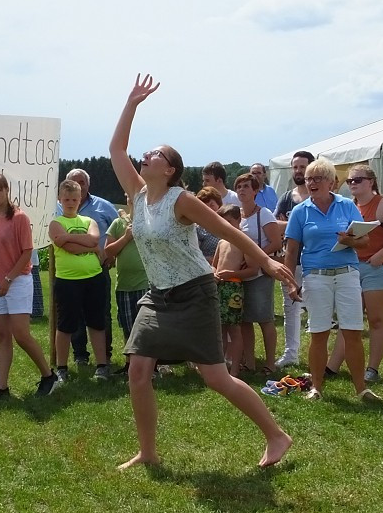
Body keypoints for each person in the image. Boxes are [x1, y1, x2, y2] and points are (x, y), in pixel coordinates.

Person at [109, 74, 294, 470]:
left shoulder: (182, 200)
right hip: (158, 296)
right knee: (138, 370)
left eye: (156, 154)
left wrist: (264, 261)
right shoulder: (137, 195)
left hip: (194, 293)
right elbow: (117, 148)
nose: (147, 156)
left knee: (215, 378)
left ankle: (277, 436)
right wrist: (132, 104)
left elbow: (227, 230)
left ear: (171, 169)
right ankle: (148, 452)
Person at [283, 158, 380, 403]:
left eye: (318, 178)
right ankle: (317, 387)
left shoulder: (347, 206)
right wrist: (289, 282)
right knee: (319, 333)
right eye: (308, 179)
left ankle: (361, 389)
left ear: (330, 182)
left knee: (353, 332)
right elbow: (292, 251)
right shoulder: (300, 211)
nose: (312, 183)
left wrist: (349, 241)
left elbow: (365, 242)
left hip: (347, 273)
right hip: (316, 277)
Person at [323, 164, 383, 382]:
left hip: (379, 269)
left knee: (376, 319)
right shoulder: (348, 206)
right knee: (348, 319)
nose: (352, 184)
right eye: (350, 181)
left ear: (371, 182)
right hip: (352, 268)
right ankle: (332, 367)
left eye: (357, 180)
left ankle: (372, 369)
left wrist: (381, 254)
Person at [0, 172, 59, 398]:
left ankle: (48, 375)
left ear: (7, 191)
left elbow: (27, 252)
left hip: (17, 281)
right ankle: (2, 387)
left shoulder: (20, 218)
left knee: (21, 334)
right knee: (2, 336)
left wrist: (8, 279)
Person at [50, 179, 110, 382]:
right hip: (67, 280)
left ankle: (102, 366)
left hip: (94, 278)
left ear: (80, 199)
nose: (70, 203)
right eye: (66, 199)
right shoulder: (56, 223)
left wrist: (69, 238)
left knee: (97, 322)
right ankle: (62, 368)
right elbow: (67, 246)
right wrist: (91, 248)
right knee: (66, 325)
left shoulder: (88, 221)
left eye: (74, 199)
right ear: (60, 199)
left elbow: (94, 239)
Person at [59, 169, 118, 367]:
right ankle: (80, 355)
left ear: (88, 184)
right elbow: (61, 242)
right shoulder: (58, 211)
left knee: (101, 315)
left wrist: (111, 254)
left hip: (99, 269)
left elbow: (117, 227)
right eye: (74, 182)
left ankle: (105, 356)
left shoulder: (103, 206)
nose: (79, 186)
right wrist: (91, 247)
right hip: (68, 274)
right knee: (73, 317)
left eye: (82, 182)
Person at [235, 172, 283, 377]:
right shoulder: (237, 215)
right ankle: (250, 362)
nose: (242, 190)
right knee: (244, 320)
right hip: (241, 274)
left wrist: (255, 257)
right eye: (239, 187)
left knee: (265, 319)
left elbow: (276, 242)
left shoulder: (263, 214)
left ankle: (270, 363)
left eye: (246, 186)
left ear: (255, 191)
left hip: (261, 274)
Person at [275, 150, 313, 369]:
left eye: (302, 167)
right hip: (291, 260)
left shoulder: (318, 198)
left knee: (317, 308)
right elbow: (274, 225)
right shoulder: (287, 198)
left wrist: (290, 226)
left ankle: (318, 356)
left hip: (316, 261)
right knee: (290, 308)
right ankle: (291, 353)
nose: (298, 171)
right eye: (295, 167)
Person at [104, 194, 150, 375]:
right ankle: (130, 364)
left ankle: (149, 366)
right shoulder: (118, 224)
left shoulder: (149, 223)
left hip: (145, 283)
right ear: (128, 202)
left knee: (145, 327)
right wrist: (126, 237)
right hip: (124, 284)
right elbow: (108, 252)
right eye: (131, 199)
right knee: (127, 325)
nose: (134, 203)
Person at [214, 204, 254, 378]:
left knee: (234, 330)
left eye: (229, 221)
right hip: (219, 287)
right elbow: (214, 264)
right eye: (222, 222)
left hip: (233, 288)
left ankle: (236, 368)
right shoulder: (221, 241)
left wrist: (233, 273)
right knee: (220, 329)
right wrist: (214, 273)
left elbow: (253, 269)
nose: (226, 225)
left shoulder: (243, 240)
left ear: (239, 220)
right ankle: (221, 367)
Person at [193, 187, 224, 261]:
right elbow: (195, 254)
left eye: (212, 205)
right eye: (205, 207)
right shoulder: (198, 229)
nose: (209, 209)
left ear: (218, 204)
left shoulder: (228, 222)